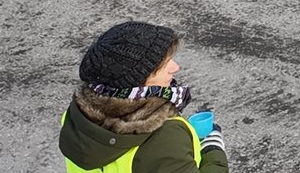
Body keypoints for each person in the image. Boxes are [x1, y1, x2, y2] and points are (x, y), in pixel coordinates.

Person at [58, 20, 227, 173]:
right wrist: (212, 149)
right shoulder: (165, 138)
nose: (175, 68)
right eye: (163, 65)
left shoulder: (77, 114)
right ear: (137, 81)